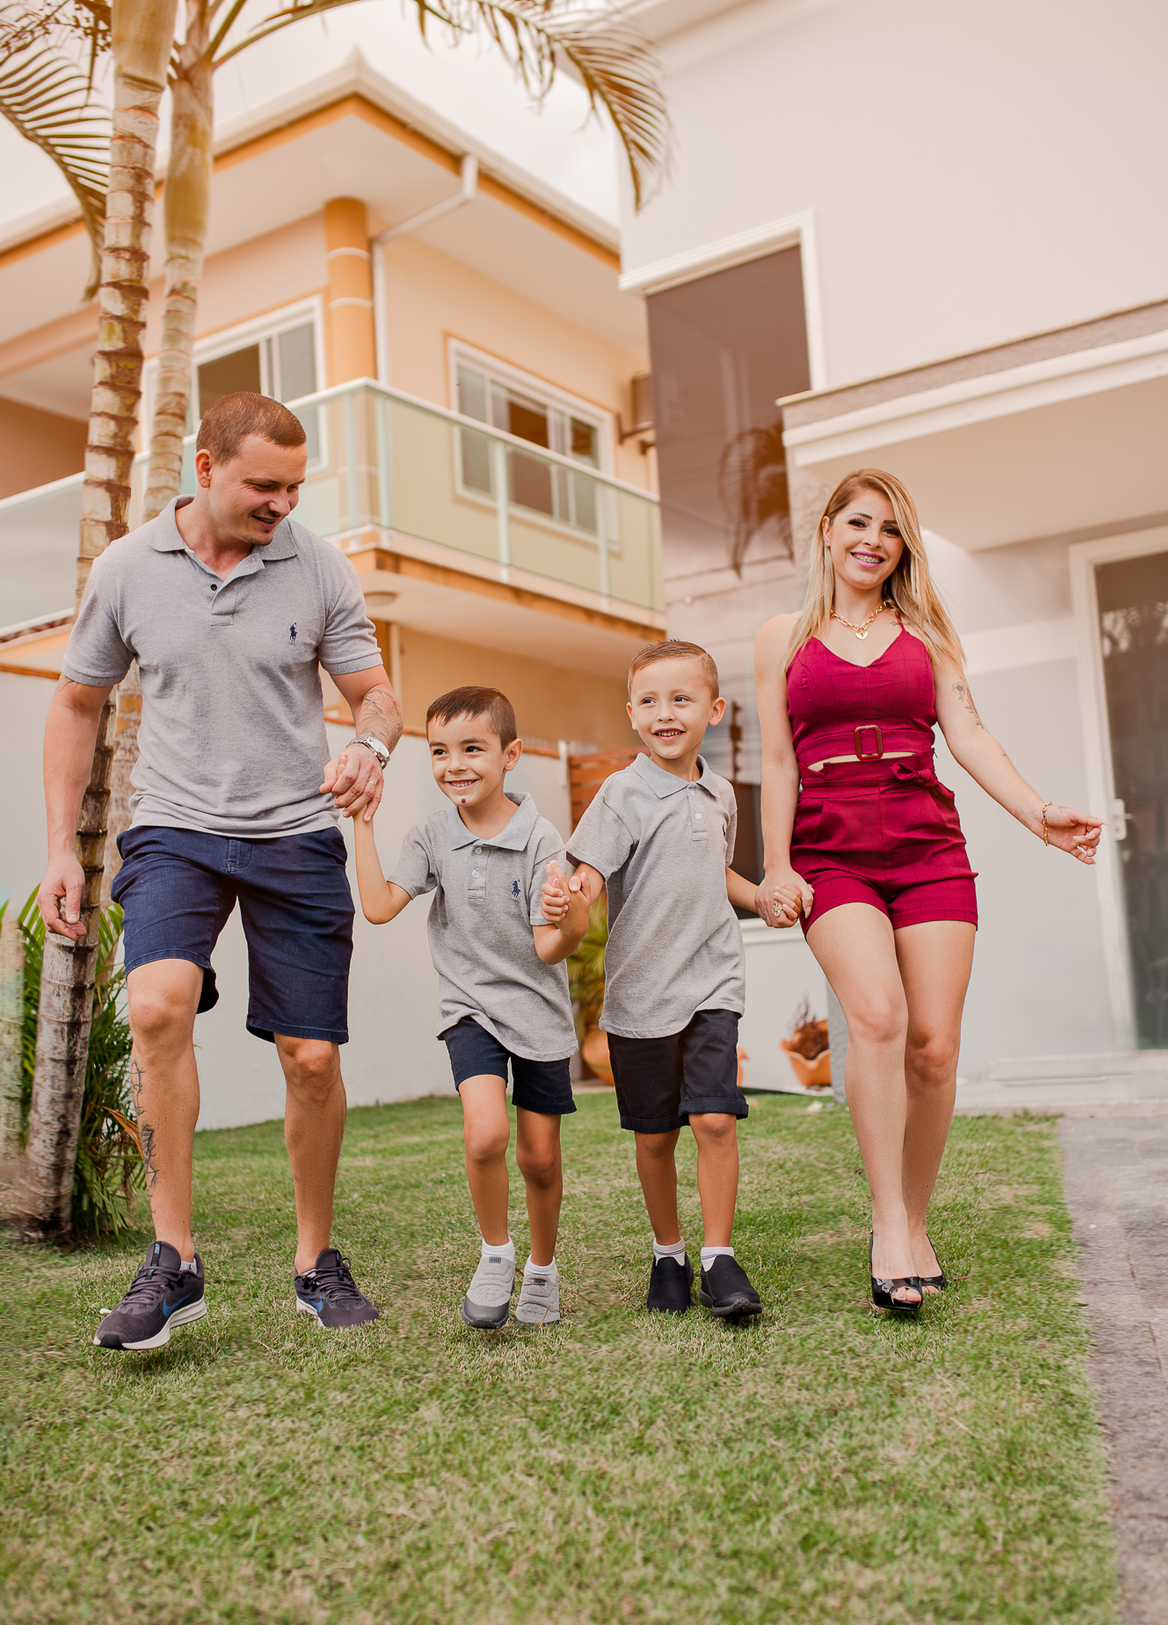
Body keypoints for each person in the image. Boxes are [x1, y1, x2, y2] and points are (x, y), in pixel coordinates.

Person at [39, 391, 402, 1348]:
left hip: (296, 831)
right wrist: (59, 848)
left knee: (311, 1058)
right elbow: (76, 704)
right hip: (176, 826)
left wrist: (371, 748)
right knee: (157, 1009)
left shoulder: (318, 566)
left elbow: (375, 695)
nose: (284, 504)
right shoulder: (128, 568)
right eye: (264, 485)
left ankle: (315, 1261)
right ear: (205, 469)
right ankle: (173, 1260)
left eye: (295, 487)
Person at [754, 468, 1102, 1312]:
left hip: (926, 844)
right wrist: (776, 864)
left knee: (934, 1047)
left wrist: (1039, 814)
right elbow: (777, 759)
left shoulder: (928, 633)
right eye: (859, 523)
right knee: (877, 1016)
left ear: (902, 546)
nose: (873, 541)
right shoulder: (781, 638)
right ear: (828, 530)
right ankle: (886, 1225)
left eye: (891, 530)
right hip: (831, 849)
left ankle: (915, 1219)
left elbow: (970, 735)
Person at [560, 639, 795, 1321]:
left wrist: (760, 897)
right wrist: (570, 892)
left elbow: (712, 870)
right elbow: (591, 873)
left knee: (716, 1119)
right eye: (650, 701)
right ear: (632, 713)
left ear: (713, 711)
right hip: (641, 993)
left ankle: (719, 1259)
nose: (666, 713)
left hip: (712, 980)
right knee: (656, 1135)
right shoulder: (621, 793)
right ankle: (670, 1255)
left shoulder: (720, 792)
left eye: (681, 699)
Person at [353, 686, 589, 1329]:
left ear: (511, 755)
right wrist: (363, 824)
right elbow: (378, 906)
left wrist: (573, 917)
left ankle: (542, 1269)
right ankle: (495, 1253)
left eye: (472, 749)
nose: (454, 765)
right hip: (470, 1007)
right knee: (485, 1134)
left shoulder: (541, 838)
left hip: (537, 1012)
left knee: (539, 1159)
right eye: (439, 751)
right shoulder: (432, 835)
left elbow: (549, 947)